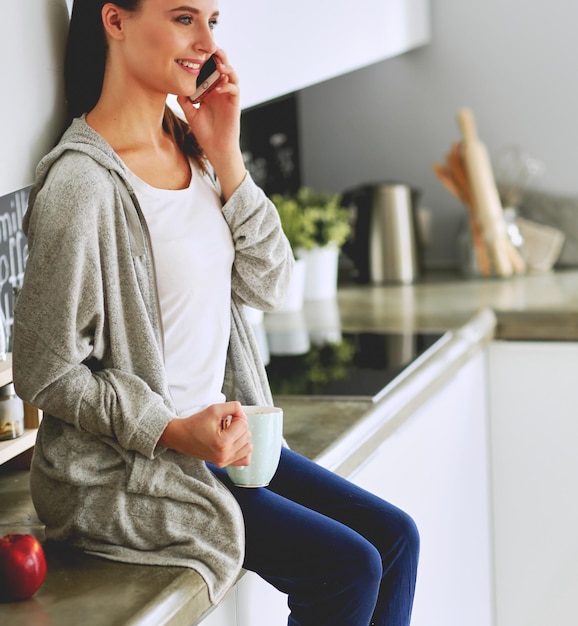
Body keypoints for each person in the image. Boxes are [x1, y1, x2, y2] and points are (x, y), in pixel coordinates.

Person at [12, 1, 419, 624]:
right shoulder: (81, 187)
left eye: (213, 21)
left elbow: (270, 284)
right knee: (347, 567)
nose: (205, 41)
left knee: (396, 538)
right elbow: (44, 369)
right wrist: (172, 429)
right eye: (183, 18)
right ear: (114, 22)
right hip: (127, 472)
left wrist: (226, 154)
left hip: (218, 447)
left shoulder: (192, 150)